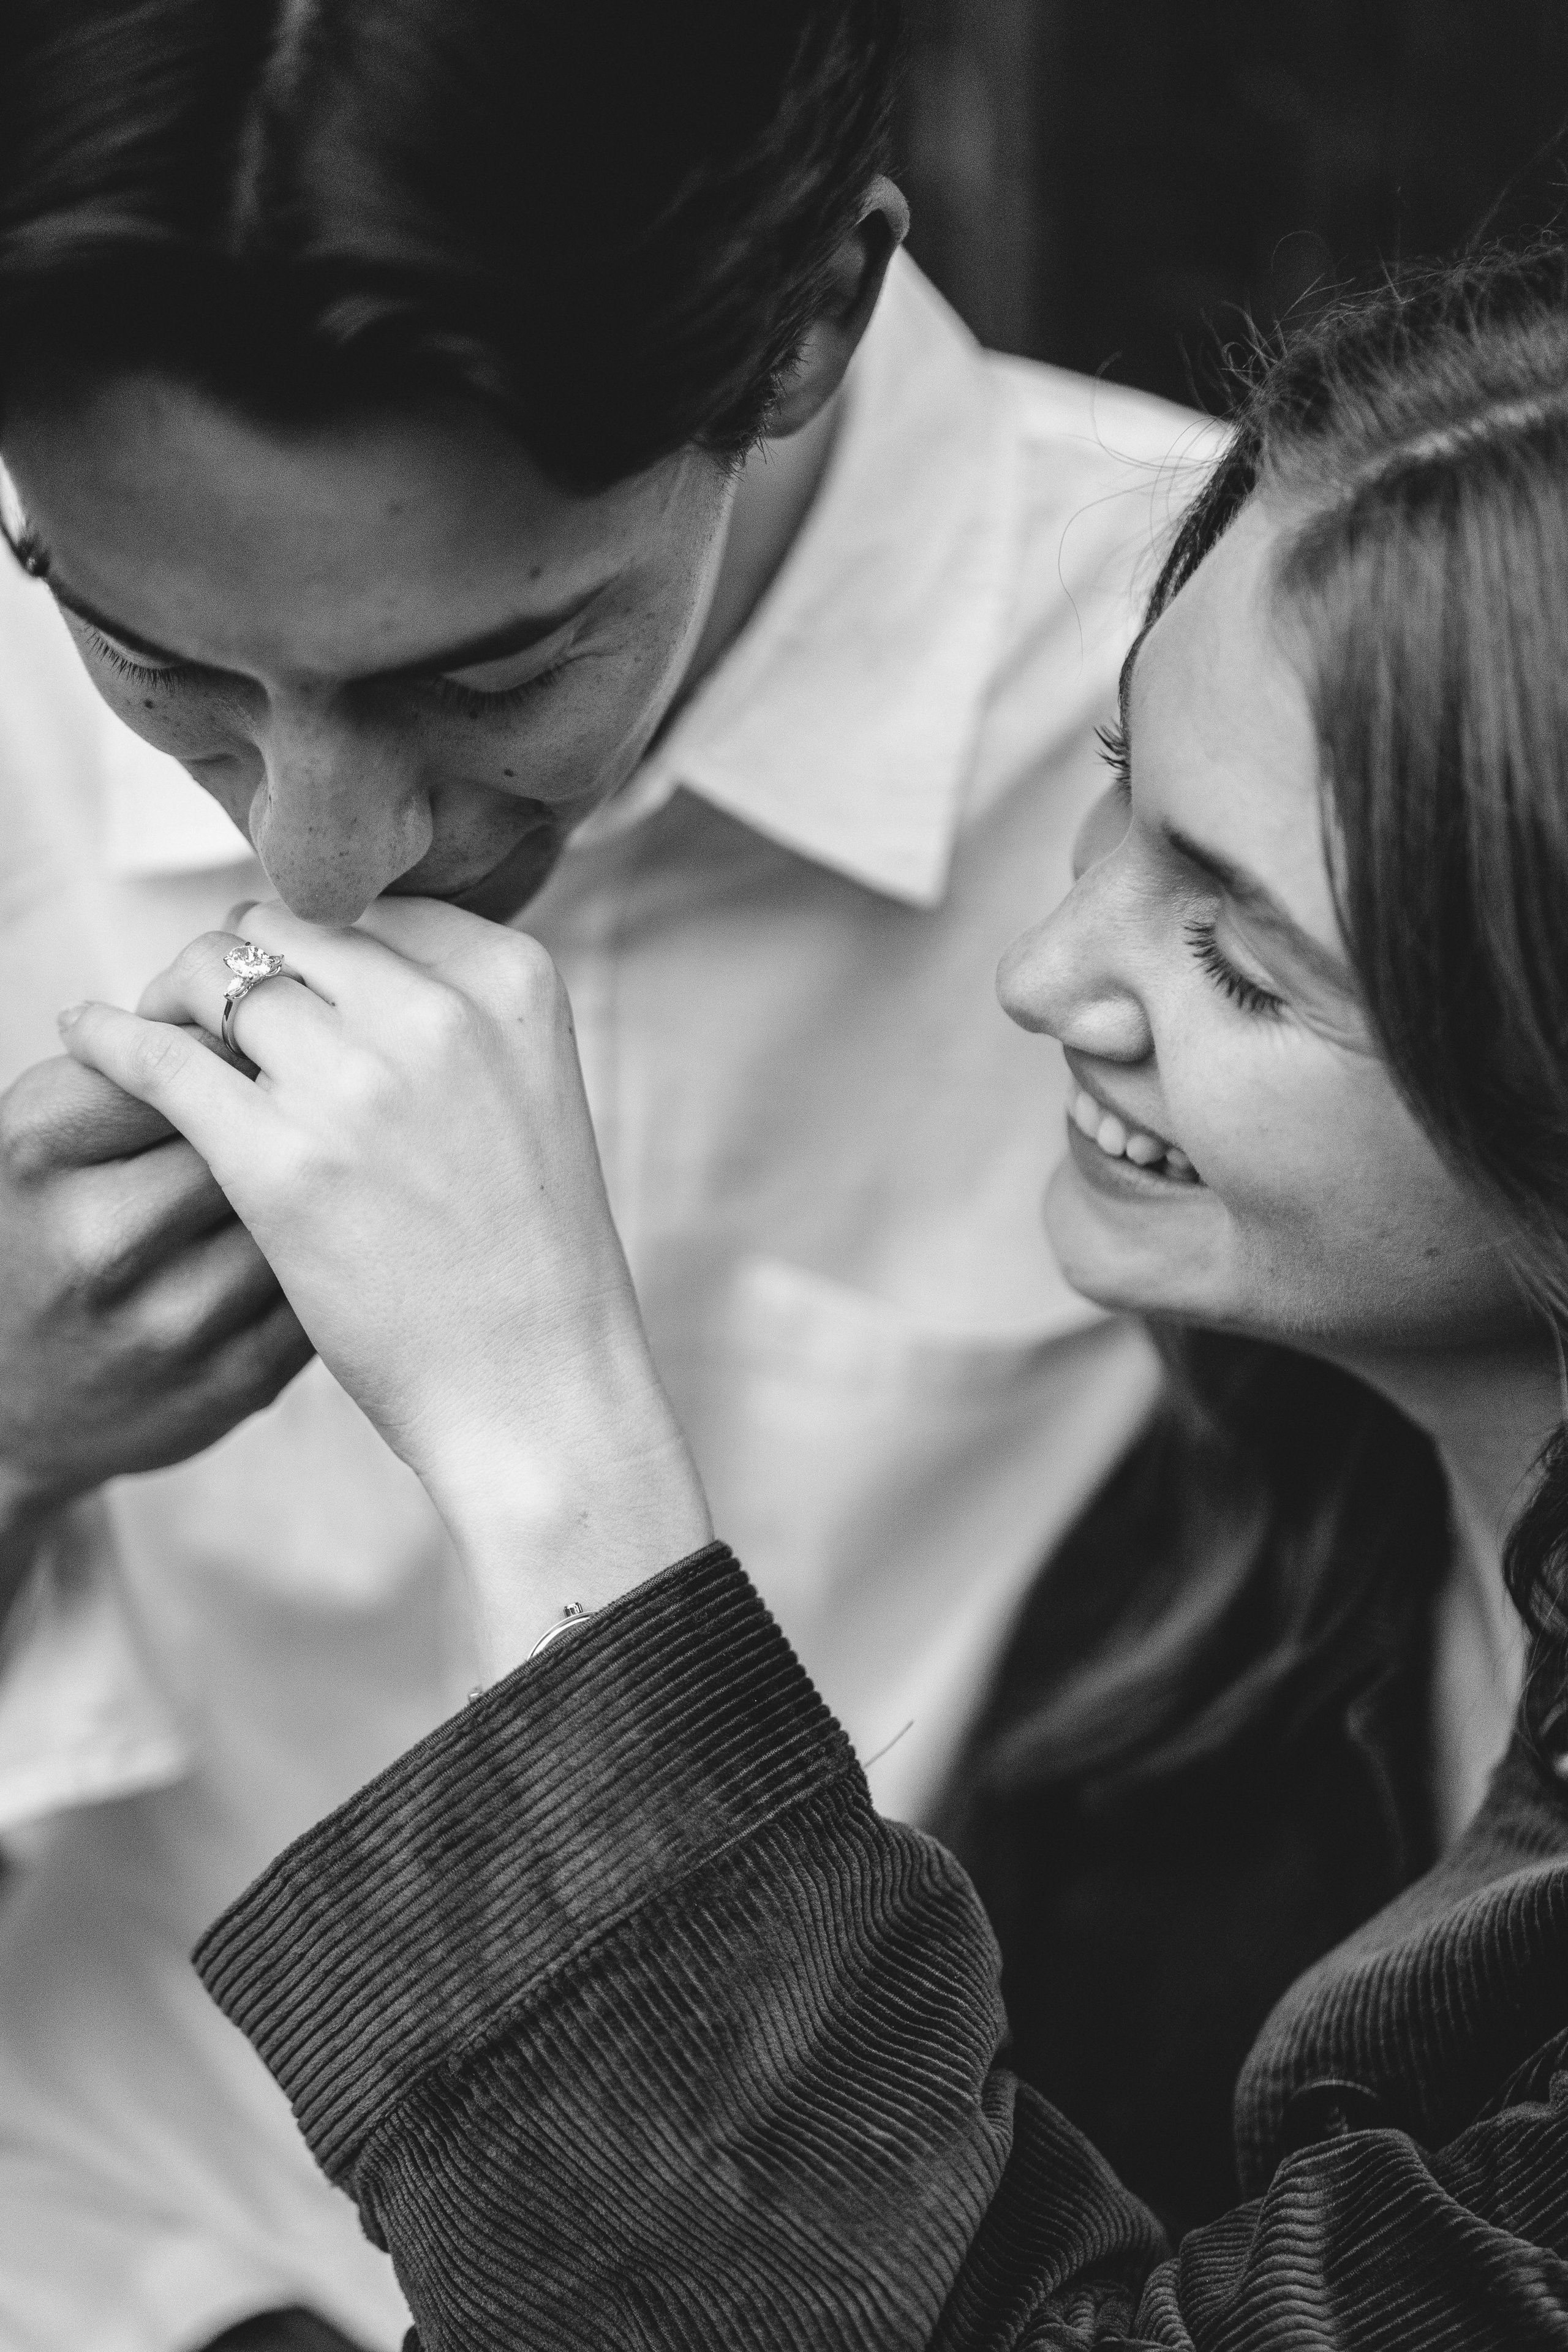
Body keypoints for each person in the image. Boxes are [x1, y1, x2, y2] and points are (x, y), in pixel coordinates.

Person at [62, 247, 1568, 2346]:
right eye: (1118, 789)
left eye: (1245, 959)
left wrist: (543, 1432)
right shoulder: (1258, 1550)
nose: (1046, 980)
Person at [0, 4, 1206, 2343]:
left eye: (494, 671)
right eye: (150, 658)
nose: (326, 867)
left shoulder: (1250, 732)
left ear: (807, 328)